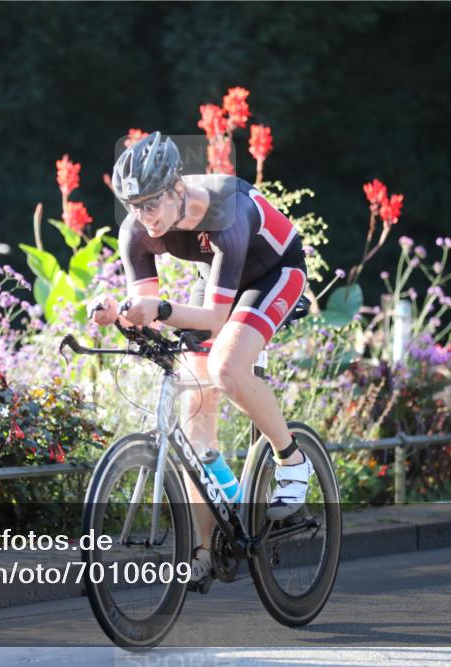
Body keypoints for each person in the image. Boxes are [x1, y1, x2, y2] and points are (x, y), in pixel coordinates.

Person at [90, 131, 313, 588]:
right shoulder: (137, 229)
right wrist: (119, 315)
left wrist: (163, 311)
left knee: (228, 368)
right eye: (132, 205)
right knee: (195, 414)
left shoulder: (224, 209)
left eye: (151, 203)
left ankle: (292, 460)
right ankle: (207, 548)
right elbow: (146, 309)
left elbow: (214, 319)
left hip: (274, 272)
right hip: (216, 278)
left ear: (177, 189)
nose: (142, 216)